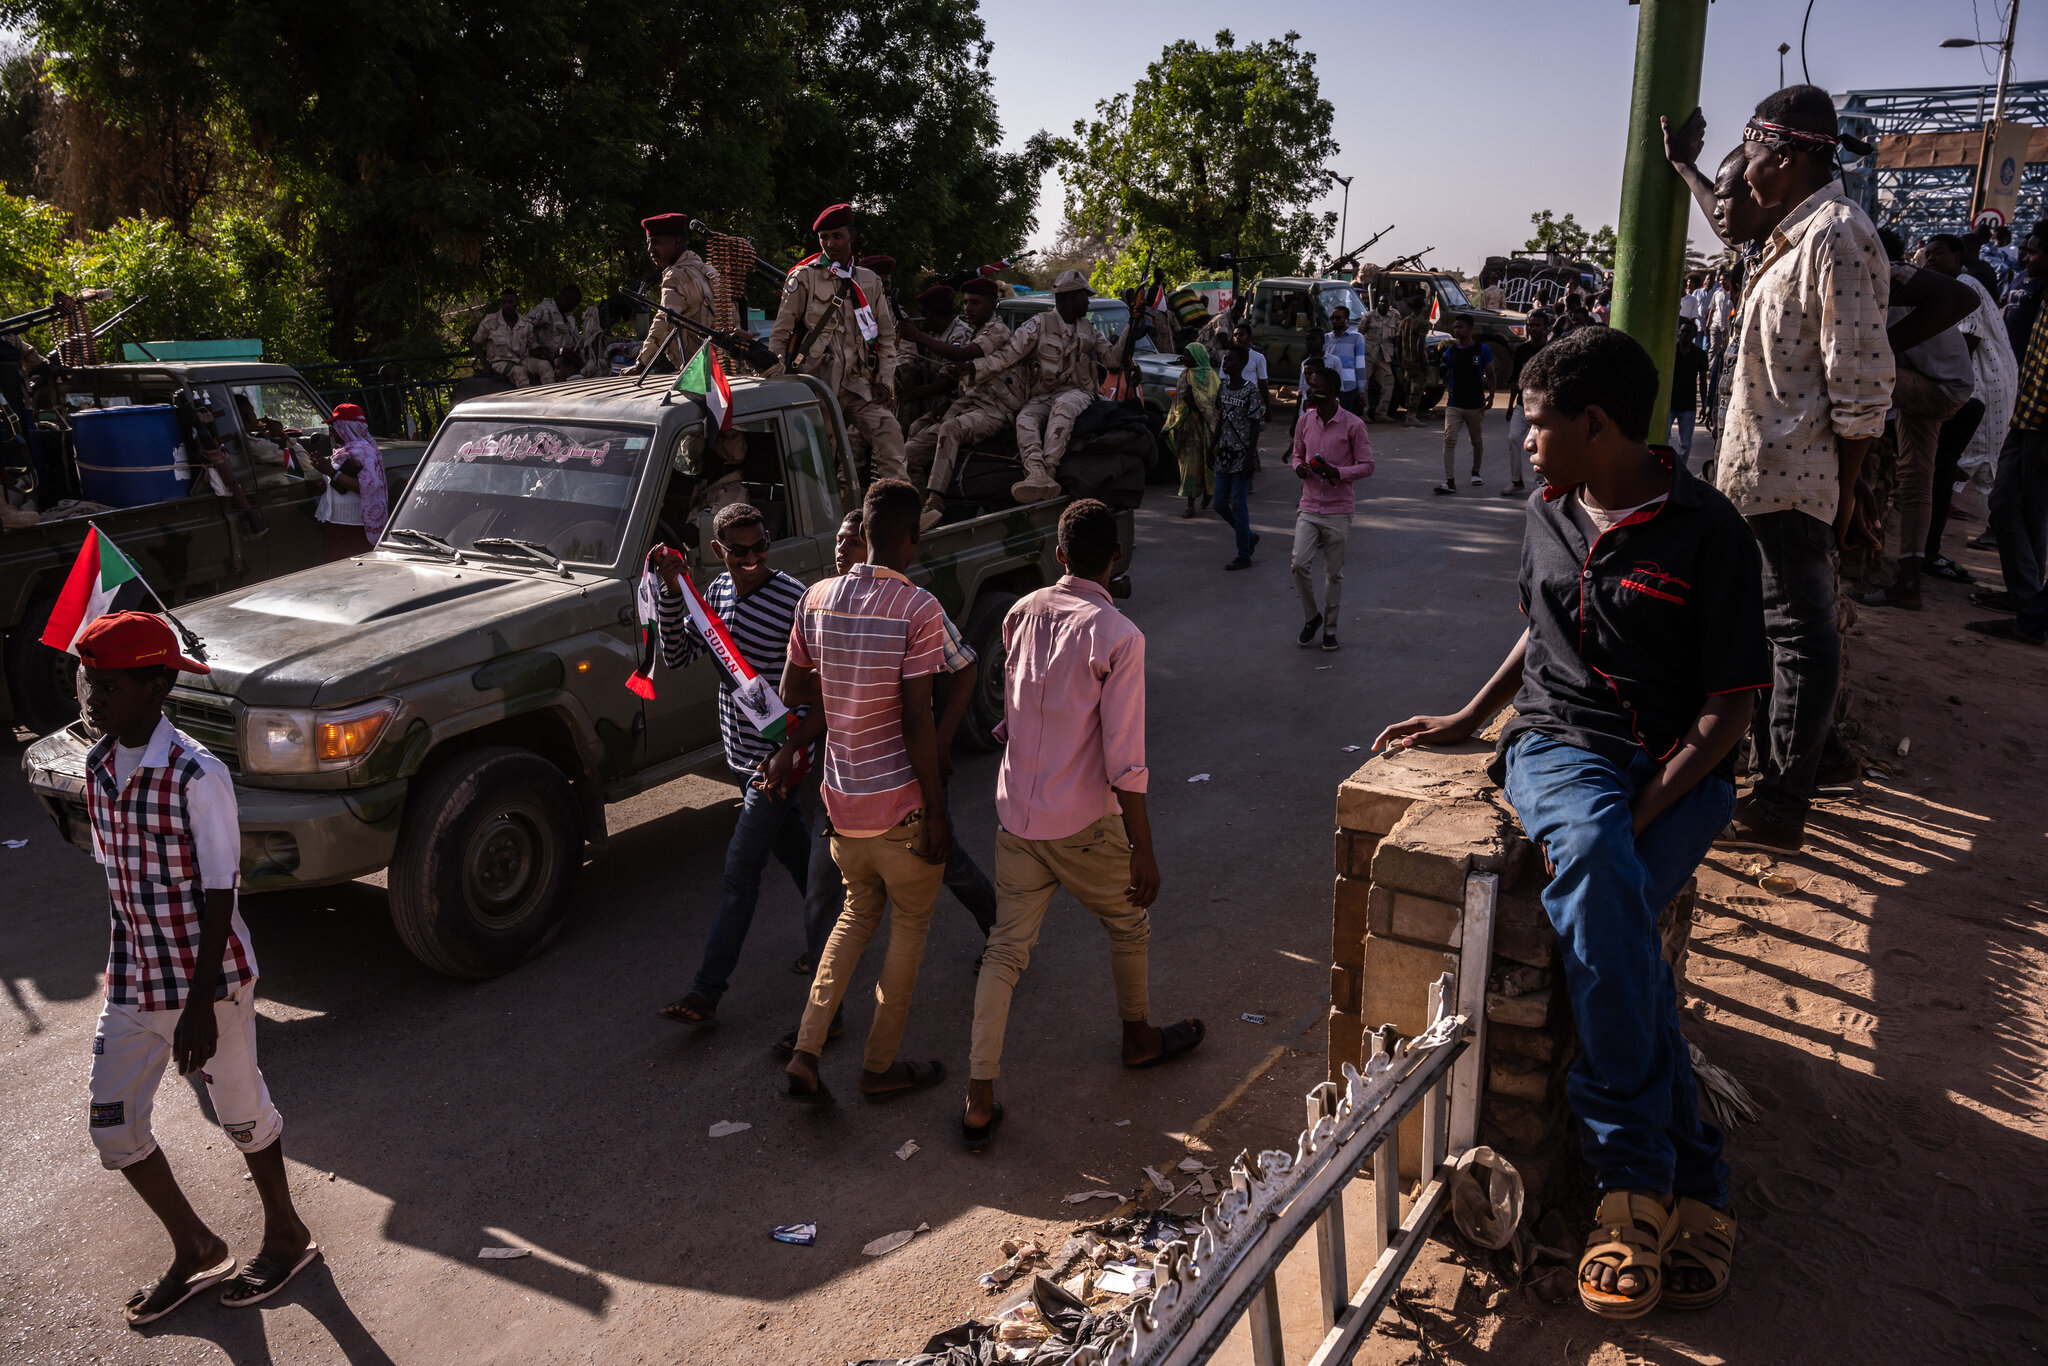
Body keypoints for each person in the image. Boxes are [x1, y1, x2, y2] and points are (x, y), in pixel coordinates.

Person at [1375, 325, 1766, 1323]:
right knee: (1599, 876)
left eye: (1538, 423)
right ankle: (1651, 1176)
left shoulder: (1707, 530)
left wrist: (1642, 809)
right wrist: (1468, 718)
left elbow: (1729, 706)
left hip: (1676, 768)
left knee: (1612, 909)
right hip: (1559, 748)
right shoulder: (1548, 509)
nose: (1526, 442)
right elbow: (1538, 627)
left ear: (1597, 425)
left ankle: (1666, 1175)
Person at [76, 611, 320, 1324]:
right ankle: (196, 1247)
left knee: (241, 1115)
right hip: (132, 979)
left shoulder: (196, 774)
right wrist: (135, 980)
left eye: (108, 688)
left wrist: (197, 1007)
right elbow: (118, 883)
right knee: (113, 1127)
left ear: (156, 688)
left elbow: (221, 895)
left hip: (207, 984)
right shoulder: (96, 768)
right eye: (89, 686)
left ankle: (287, 1232)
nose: (93, 702)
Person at [1673, 87, 1894, 854]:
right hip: (1765, 476)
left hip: (1796, 479)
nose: (1749, 175)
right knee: (1770, 636)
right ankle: (1788, 771)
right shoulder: (1794, 237)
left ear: (1790, 155)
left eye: (1755, 157)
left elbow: (1861, 388)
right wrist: (1685, 168)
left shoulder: (1837, 237)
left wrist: (1843, 494)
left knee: (1800, 637)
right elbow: (1728, 213)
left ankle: (1781, 805)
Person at [960, 499, 1200, 1149]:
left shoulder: (1020, 613)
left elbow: (1013, 715)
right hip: (1084, 823)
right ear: (1114, 557)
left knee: (1005, 953)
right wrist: (1143, 851)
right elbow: (1125, 762)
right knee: (1128, 922)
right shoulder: (1119, 635)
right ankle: (1138, 1037)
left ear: (1059, 554)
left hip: (1017, 814)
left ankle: (978, 1095)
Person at [771, 480, 953, 1104]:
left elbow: (794, 691)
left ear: (865, 532)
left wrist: (842, 686)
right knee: (908, 932)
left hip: (841, 807)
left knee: (852, 920)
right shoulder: (919, 609)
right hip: (901, 808)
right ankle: (879, 1067)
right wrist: (938, 813)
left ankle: (807, 1049)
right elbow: (917, 720)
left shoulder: (816, 598)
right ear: (912, 538)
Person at [650, 503, 822, 1027]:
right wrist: (669, 592)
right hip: (742, 754)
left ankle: (706, 992)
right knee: (796, 855)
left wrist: (788, 750)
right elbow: (676, 657)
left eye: (761, 546)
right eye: (740, 551)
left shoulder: (795, 600)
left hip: (778, 760)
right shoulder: (717, 596)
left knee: (740, 871)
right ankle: (832, 942)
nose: (753, 559)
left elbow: (822, 690)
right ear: (718, 552)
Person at [1860, 229, 1981, 610]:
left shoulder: (1888, 279)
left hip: (1938, 388)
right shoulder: (1900, 281)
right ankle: (1908, 580)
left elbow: (1870, 354)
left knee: (1850, 370)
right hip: (1943, 388)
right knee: (1916, 481)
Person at [767, 205, 907, 483]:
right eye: (824, 237)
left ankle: (899, 511)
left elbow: (888, 337)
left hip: (858, 385)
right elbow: (780, 335)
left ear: (852, 236)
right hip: (816, 384)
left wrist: (885, 381)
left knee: (889, 432)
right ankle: (827, 520)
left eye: (837, 236)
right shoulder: (804, 278)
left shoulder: (869, 281)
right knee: (819, 464)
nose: (830, 244)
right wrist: (778, 380)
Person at [958, 269, 1122, 503]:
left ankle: (1049, 470)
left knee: (1064, 408)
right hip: (1043, 396)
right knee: (1024, 418)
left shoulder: (1089, 329)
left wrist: (1130, 332)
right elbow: (1008, 355)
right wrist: (974, 368)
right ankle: (1034, 471)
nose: (1088, 301)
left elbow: (1113, 359)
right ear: (1071, 297)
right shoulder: (1038, 325)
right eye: (1085, 296)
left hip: (1079, 393)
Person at [1919, 233, 2015, 584]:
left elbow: (1966, 341)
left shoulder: (1963, 284)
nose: (1930, 260)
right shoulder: (1956, 284)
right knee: (1946, 471)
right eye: (1926, 254)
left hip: (1979, 391)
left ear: (1959, 257)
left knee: (1950, 471)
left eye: (1939, 254)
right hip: (1974, 389)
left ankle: (1933, 552)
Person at [901, 278, 1023, 528]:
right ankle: (916, 508)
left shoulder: (996, 330)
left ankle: (936, 500)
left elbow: (964, 355)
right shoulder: (977, 331)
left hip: (996, 409)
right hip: (970, 405)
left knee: (950, 429)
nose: (968, 308)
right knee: (912, 442)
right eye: (965, 302)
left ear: (992, 304)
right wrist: (944, 406)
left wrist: (918, 337)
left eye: (975, 302)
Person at [1978, 221, 2048, 614]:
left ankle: (2029, 603)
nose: (2026, 257)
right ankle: (2026, 595)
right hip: (2025, 417)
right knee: (2007, 505)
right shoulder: (2038, 291)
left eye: (2035, 251)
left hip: (2042, 427)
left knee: (2030, 512)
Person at [1289, 364, 1373, 651]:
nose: (1310, 391)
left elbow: (1367, 466)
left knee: (1333, 574)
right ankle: (1312, 617)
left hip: (1339, 510)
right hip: (1309, 506)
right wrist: (1299, 467)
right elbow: (1297, 455)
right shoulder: (1305, 420)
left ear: (1334, 392)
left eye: (1316, 387)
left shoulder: (1353, 425)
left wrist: (1338, 472)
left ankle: (1331, 630)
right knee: (1299, 564)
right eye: (1309, 385)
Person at [632, 214, 717, 374]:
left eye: (655, 242)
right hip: (720, 367)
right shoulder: (707, 271)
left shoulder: (676, 275)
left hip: (698, 369)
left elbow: (663, 322)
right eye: (649, 243)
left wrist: (641, 364)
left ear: (677, 242)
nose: (650, 249)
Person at [310, 402, 387, 559]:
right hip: (335, 522)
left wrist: (331, 473)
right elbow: (338, 479)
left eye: (334, 425)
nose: (332, 431)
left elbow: (368, 487)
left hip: (353, 526)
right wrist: (325, 484)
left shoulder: (366, 453)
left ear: (346, 427)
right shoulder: (342, 451)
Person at [1213, 344, 1265, 569]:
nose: (1226, 363)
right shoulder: (1223, 388)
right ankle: (1249, 535)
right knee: (1219, 504)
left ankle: (1244, 554)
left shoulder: (1251, 391)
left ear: (1242, 364)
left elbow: (1255, 425)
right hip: (1224, 454)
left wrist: (1250, 457)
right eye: (1225, 360)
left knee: (1239, 504)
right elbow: (1220, 419)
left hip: (1242, 454)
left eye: (1231, 360)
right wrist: (1211, 446)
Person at [1435, 316, 1495, 493]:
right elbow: (1445, 370)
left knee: (1476, 440)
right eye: (1455, 327)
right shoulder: (1451, 351)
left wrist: (1491, 396)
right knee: (1449, 439)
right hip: (1454, 403)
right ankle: (1450, 480)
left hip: (1475, 403)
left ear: (1470, 329)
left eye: (1460, 327)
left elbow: (1491, 374)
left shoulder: (1482, 350)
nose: (1457, 331)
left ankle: (1475, 472)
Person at [1501, 310, 1551, 497]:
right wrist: (1510, 405)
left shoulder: (1550, 351)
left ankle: (1542, 484)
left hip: (1544, 408)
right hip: (1523, 407)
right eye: (1530, 325)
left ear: (1546, 328)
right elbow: (1516, 380)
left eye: (1537, 325)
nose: (1533, 329)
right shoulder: (1522, 351)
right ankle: (1516, 481)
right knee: (1514, 438)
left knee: (1541, 444)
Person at [1167, 342, 1219, 518]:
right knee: (1190, 465)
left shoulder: (1211, 376)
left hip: (1206, 427)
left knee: (1207, 463)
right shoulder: (1185, 374)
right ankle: (1190, 504)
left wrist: (1196, 399)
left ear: (1197, 357)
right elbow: (1178, 401)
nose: (1185, 358)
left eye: (1188, 355)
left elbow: (1212, 402)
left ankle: (1208, 494)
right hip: (1189, 427)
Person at [473, 289, 552, 387]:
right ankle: (530, 400)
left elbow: (531, 345)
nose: (507, 305)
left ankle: (551, 397)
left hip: (522, 360)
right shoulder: (490, 321)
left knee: (545, 366)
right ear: (501, 304)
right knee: (519, 372)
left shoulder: (526, 323)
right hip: (500, 363)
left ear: (517, 303)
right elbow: (476, 343)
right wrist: (486, 366)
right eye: (504, 302)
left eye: (511, 302)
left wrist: (541, 351)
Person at [526, 284, 587, 377]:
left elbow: (576, 339)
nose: (573, 308)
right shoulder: (544, 309)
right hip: (547, 360)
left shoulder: (569, 317)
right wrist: (535, 347)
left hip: (566, 361)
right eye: (573, 304)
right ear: (566, 297)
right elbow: (524, 328)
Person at [1669, 321, 1708, 467]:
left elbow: (1703, 381)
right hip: (1669, 403)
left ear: (1694, 335)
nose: (1685, 335)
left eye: (1688, 332)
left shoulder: (1700, 355)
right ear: (1678, 332)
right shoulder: (1670, 350)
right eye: (1683, 331)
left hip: (1688, 405)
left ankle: (1680, 469)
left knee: (1685, 443)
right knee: (1663, 438)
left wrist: (1705, 404)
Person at [1323, 305, 1368, 417]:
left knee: (1345, 419)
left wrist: (1361, 391)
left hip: (1348, 386)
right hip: (1329, 386)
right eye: (1332, 318)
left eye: (1338, 318)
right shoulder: (1326, 338)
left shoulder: (1357, 338)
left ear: (1346, 320)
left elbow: (1360, 365)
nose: (1334, 321)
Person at [1360, 297, 1399, 422]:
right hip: (1368, 354)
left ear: (1389, 304)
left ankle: (1381, 413)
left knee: (1388, 383)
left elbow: (1398, 333)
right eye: (1381, 301)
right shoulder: (1369, 317)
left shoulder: (1395, 315)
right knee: (1363, 384)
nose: (1383, 304)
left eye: (1385, 302)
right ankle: (1363, 413)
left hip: (1384, 356)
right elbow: (1360, 333)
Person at [1397, 300, 1435, 426]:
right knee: (1417, 390)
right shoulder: (1423, 323)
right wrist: (1425, 363)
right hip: (1417, 361)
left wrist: (1400, 359)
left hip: (1406, 361)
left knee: (1407, 388)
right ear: (1422, 308)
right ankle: (1412, 416)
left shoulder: (1404, 322)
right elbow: (1421, 344)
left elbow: (1398, 342)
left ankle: (1409, 414)